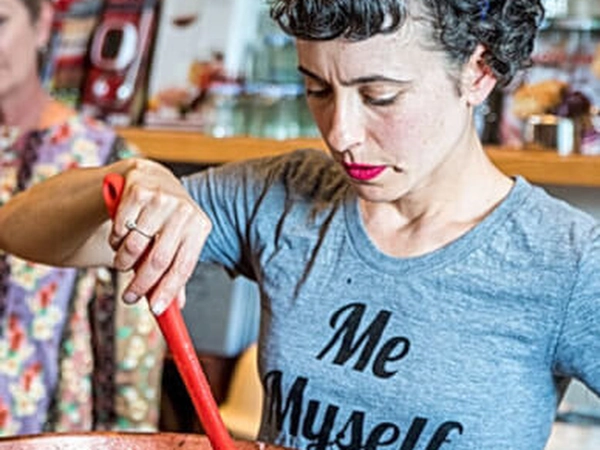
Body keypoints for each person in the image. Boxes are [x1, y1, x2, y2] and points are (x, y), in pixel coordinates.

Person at [0, 0, 599, 449]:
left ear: (478, 70)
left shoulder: (567, 261)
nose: (341, 133)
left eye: (380, 96)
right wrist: (132, 177)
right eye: (318, 89)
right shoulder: (282, 196)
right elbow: (18, 228)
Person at [0, 0, 164, 435]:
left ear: (42, 24)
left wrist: (129, 439)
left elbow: (132, 350)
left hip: (46, 434)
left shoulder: (108, 161)